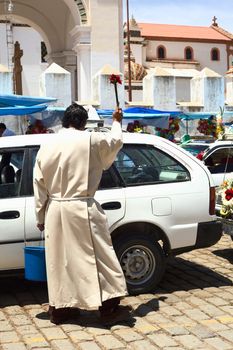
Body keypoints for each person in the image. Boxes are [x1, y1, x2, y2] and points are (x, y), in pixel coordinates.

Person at [33, 103, 129, 325]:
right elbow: (115, 142)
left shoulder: (47, 144)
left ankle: (60, 309)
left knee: (61, 261)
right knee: (101, 258)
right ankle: (108, 308)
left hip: (55, 210)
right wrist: (116, 121)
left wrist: (40, 217)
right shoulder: (91, 140)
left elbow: (38, 185)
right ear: (83, 123)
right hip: (82, 208)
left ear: (65, 121)